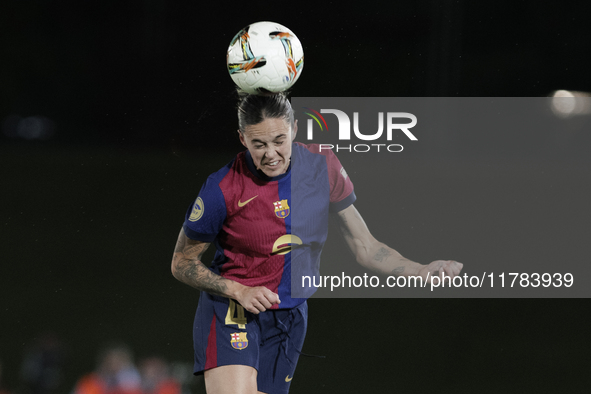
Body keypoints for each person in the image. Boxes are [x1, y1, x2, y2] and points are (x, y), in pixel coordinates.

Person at [171, 92, 462, 394]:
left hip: (290, 316)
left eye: (279, 140)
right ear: (242, 139)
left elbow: (366, 247)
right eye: (259, 144)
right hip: (232, 310)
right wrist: (237, 289)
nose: (271, 154)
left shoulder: (323, 166)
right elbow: (181, 263)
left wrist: (421, 269)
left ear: (295, 129)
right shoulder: (222, 187)